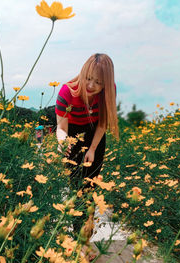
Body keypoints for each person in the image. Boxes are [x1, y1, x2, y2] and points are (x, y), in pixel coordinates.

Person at [55, 53, 119, 236]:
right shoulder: (67, 92)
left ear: (106, 83)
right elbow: (61, 127)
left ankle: (84, 240)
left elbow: (103, 123)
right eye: (88, 78)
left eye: (98, 82)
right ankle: (77, 237)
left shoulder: (109, 91)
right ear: (82, 73)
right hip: (72, 132)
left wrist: (92, 149)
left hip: (95, 134)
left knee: (89, 188)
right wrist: (63, 142)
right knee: (77, 188)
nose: (91, 86)